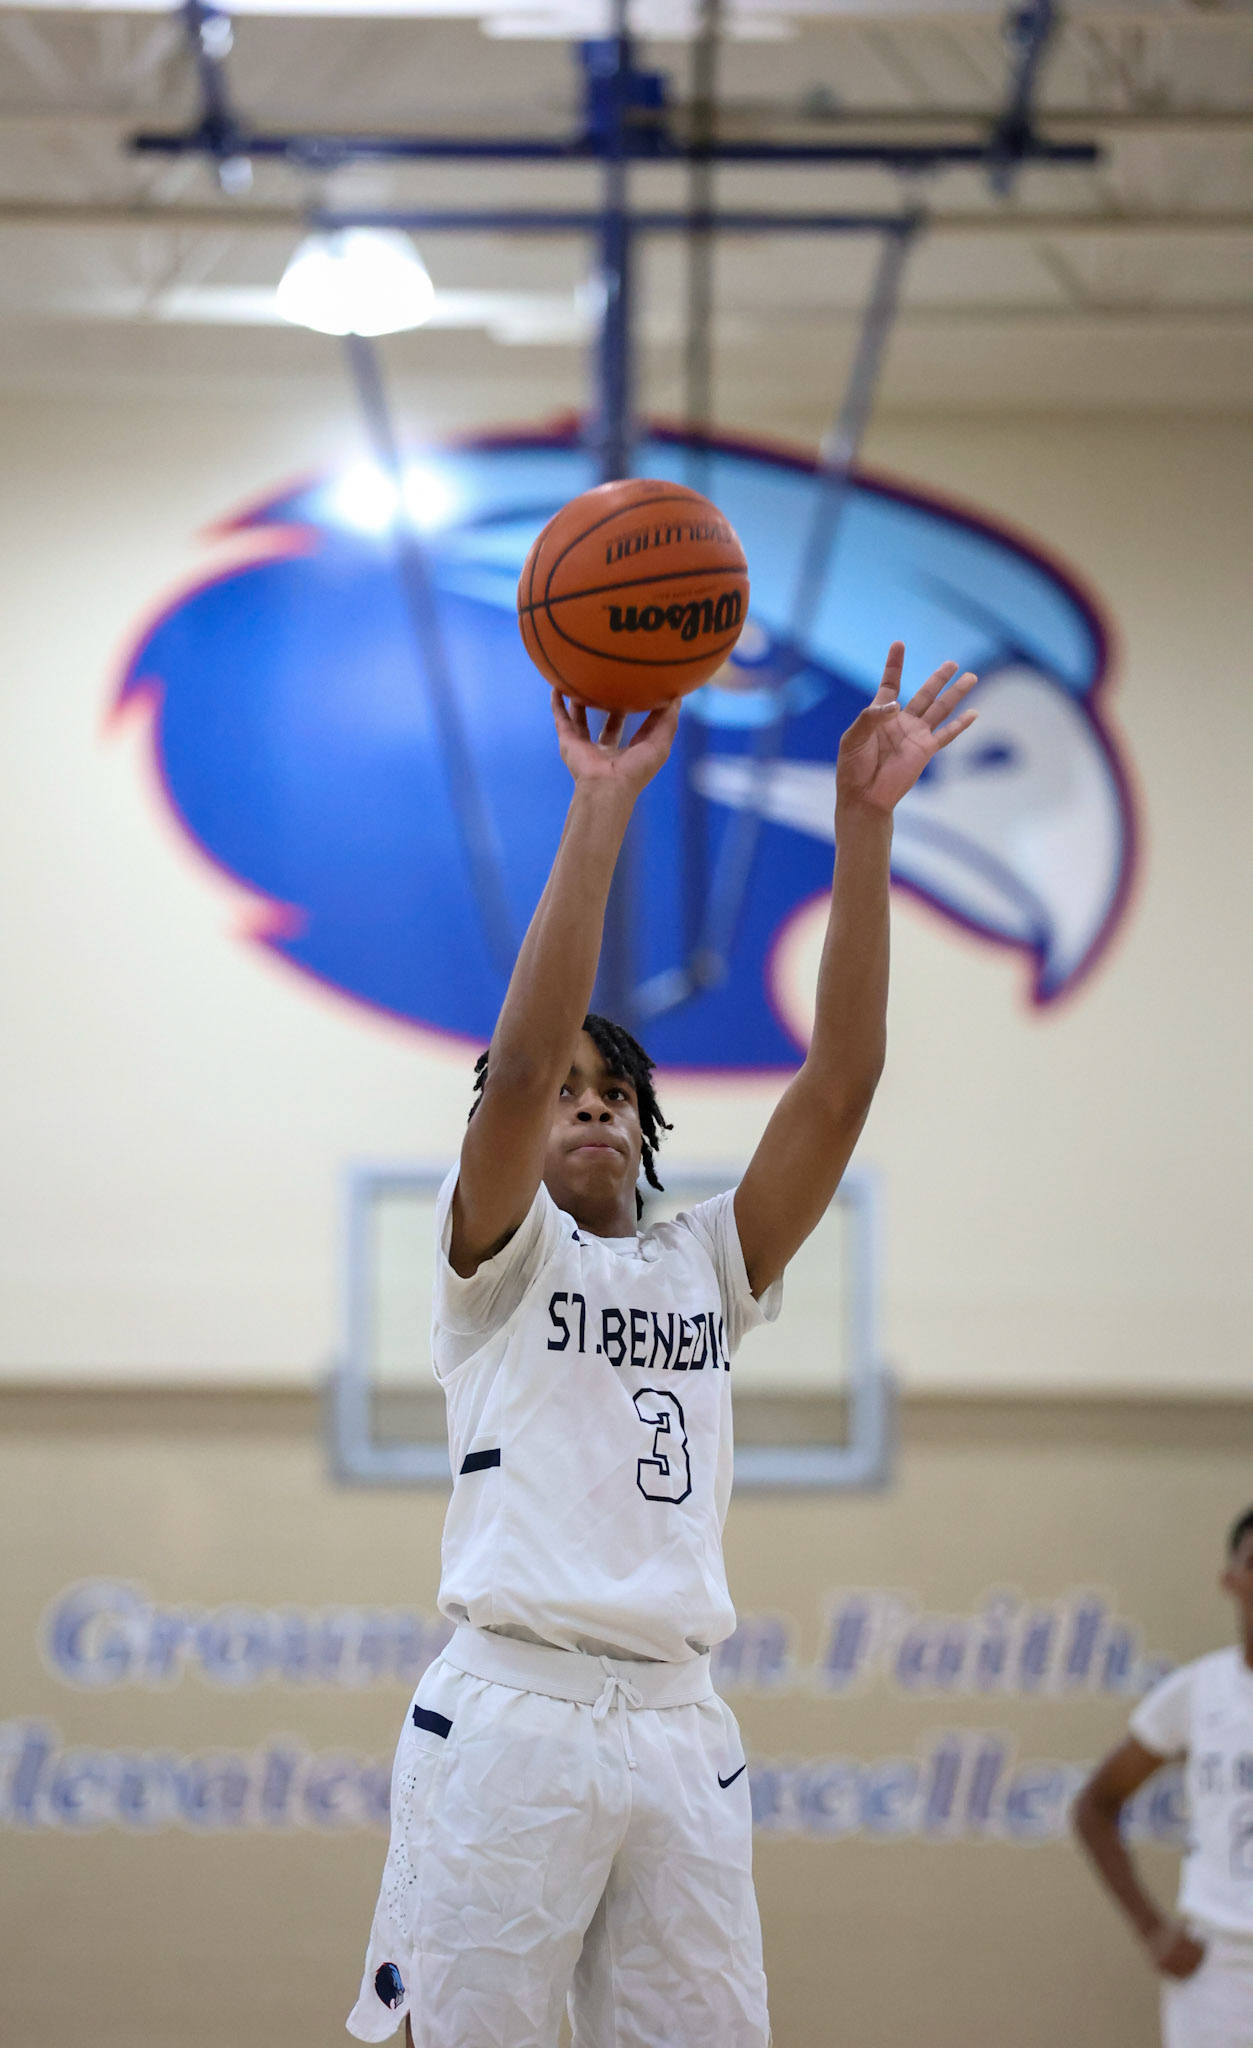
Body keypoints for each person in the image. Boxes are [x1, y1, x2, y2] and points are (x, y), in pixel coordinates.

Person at [346, 642, 978, 2048]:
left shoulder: (708, 1259)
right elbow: (513, 1067)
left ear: (646, 1128)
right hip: (514, 1708)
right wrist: (604, 804)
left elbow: (844, 1078)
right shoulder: (500, 1262)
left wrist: (863, 828)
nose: (584, 1105)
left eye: (613, 1091)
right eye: (566, 1090)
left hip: (683, 1726)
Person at [1072, 1506, 1253, 2048]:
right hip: (1217, 1966)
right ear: (1231, 1579)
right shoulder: (1200, 1690)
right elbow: (1095, 1806)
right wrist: (1152, 1929)